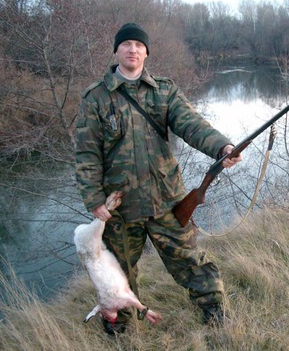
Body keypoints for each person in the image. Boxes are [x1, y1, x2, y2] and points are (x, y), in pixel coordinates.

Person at [75, 23, 242, 334]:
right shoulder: (96, 98)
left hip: (167, 199)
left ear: (147, 52)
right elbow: (86, 154)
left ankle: (215, 311)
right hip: (120, 207)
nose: (133, 50)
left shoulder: (164, 90)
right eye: (126, 44)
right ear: (116, 50)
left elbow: (191, 124)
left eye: (139, 45)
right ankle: (120, 325)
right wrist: (94, 199)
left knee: (190, 260)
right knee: (119, 272)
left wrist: (222, 146)